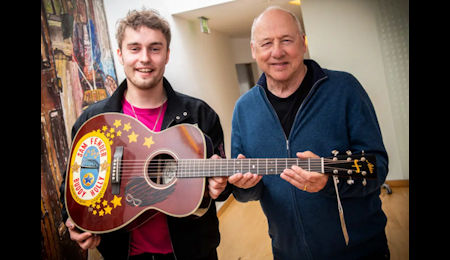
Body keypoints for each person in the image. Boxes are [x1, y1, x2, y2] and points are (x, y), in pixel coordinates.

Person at [60, 9, 230, 260]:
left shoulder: (199, 115)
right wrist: (74, 221)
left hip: (192, 252)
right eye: (134, 48)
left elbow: (221, 188)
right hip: (123, 253)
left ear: (167, 55)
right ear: (120, 54)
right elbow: (72, 184)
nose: (145, 58)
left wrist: (221, 184)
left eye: (154, 48)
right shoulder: (94, 121)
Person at [228, 6, 390, 260]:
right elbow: (246, 189)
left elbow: (376, 166)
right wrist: (245, 187)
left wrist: (329, 179)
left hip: (358, 249)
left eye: (286, 40)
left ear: (303, 43)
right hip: (287, 252)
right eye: (267, 43)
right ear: (254, 50)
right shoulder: (243, 109)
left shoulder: (344, 89)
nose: (277, 52)